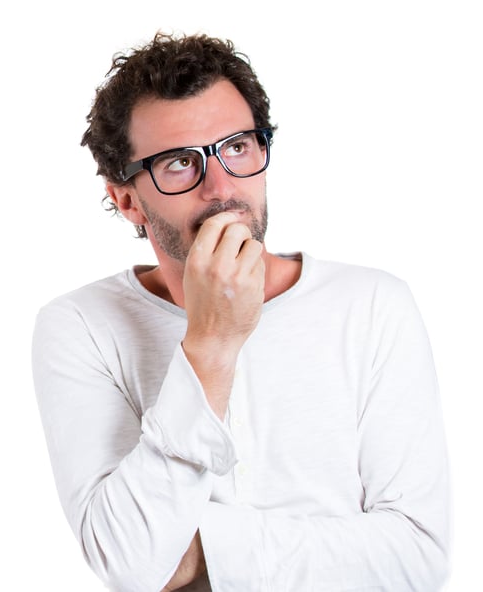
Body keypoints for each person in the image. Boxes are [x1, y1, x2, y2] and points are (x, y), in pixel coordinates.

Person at [31, 32, 450, 591]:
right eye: (179, 162)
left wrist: (202, 548)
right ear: (127, 200)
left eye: (237, 147)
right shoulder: (80, 327)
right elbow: (131, 565)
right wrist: (211, 344)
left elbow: (418, 559)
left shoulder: (373, 305)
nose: (223, 187)